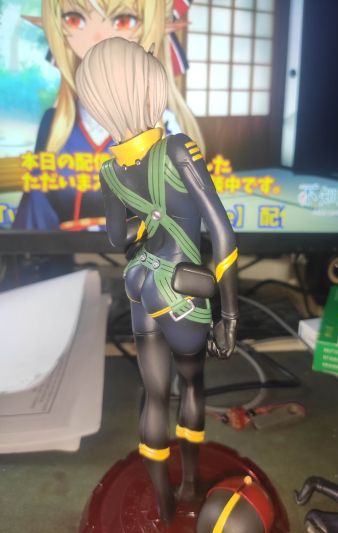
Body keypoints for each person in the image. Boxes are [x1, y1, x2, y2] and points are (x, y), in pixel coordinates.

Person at [75, 37, 238, 523]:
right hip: (179, 289)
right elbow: (223, 235)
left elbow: (116, 238)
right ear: (148, 87)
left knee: (154, 395)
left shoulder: (110, 169)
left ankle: (164, 508)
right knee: (192, 384)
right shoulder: (177, 149)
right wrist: (229, 316)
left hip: (139, 280)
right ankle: (189, 486)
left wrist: (149, 222)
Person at [15, 0, 204, 230]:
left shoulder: (167, 126)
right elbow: (34, 217)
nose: (97, 36)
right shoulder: (53, 124)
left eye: (124, 20)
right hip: (61, 252)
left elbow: (184, 219)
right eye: (75, 19)